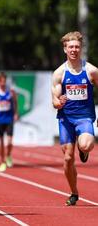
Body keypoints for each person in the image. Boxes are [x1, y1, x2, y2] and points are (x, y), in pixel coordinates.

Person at [51, 31, 98, 206]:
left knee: (86, 144)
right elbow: (54, 101)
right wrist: (59, 102)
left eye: (77, 47)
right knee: (68, 159)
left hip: (84, 117)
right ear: (65, 49)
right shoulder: (59, 73)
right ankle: (74, 192)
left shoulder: (91, 70)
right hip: (66, 120)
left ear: (81, 49)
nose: (74, 50)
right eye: (70, 47)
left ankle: (83, 150)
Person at [0, 72, 18, 172]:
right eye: (1, 81)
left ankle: (8, 155)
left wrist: (16, 113)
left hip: (9, 118)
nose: (3, 83)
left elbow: (15, 102)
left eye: (4, 81)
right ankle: (2, 162)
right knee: (1, 141)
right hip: (0, 119)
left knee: (9, 142)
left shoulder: (11, 91)